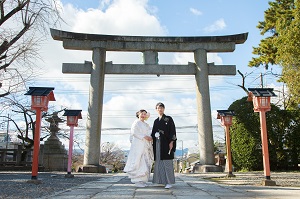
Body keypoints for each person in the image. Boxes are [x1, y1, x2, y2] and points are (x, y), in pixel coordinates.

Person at [123, 109, 154, 188]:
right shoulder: (136, 122)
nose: (143, 115)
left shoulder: (146, 125)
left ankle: (143, 180)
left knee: (145, 160)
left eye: (145, 114)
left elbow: (149, 133)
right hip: (138, 144)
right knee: (138, 160)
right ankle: (137, 180)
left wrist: (150, 138)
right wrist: (144, 136)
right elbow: (134, 132)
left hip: (146, 144)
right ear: (138, 114)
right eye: (142, 114)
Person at [151, 102, 177, 189]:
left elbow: (172, 130)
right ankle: (161, 180)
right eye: (158, 108)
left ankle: (169, 182)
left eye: (161, 108)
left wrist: (172, 141)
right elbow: (153, 132)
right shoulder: (156, 121)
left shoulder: (168, 119)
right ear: (156, 110)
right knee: (159, 161)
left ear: (164, 109)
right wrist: (154, 136)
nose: (160, 109)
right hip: (157, 143)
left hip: (166, 143)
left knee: (167, 162)